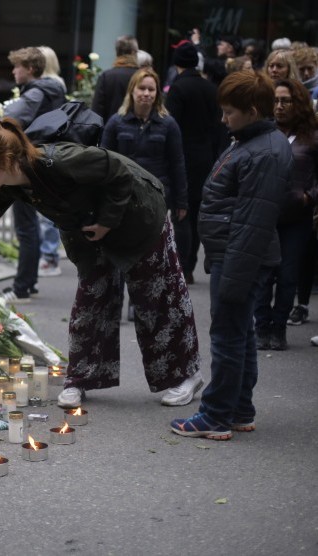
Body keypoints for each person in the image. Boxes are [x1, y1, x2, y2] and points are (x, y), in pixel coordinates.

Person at [0, 118, 204, 409]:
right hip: (90, 232)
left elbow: (118, 171)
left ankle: (185, 376)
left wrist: (108, 220)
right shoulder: (7, 184)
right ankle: (82, 379)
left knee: (157, 298)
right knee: (91, 300)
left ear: (5, 161)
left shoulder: (58, 161)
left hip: (138, 216)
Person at [171, 71, 292, 440]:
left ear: (252, 111)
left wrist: (234, 277)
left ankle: (216, 415)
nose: (223, 119)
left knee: (227, 336)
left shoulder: (264, 151)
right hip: (236, 255)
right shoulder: (253, 141)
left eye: (229, 112)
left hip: (240, 259)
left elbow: (252, 222)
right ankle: (238, 409)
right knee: (238, 334)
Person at [101, 68, 189, 321]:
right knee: (119, 252)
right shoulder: (116, 122)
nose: (147, 94)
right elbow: (104, 162)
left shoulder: (168, 124)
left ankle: (139, 304)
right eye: (142, 88)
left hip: (156, 199)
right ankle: (114, 303)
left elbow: (177, 163)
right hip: (123, 198)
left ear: (157, 93)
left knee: (148, 255)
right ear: (132, 91)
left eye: (151, 89)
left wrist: (181, 201)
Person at [254, 78, 318, 350]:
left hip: (297, 218)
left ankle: (279, 328)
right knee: (263, 275)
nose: (280, 106)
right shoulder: (264, 133)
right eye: (276, 101)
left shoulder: (312, 136)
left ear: (298, 103)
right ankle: (262, 327)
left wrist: (309, 196)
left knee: (288, 274)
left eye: (286, 101)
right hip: (265, 214)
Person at [0, 47, 67, 302]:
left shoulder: (36, 92)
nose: (13, 71)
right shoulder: (52, 89)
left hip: (28, 164)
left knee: (26, 226)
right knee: (33, 225)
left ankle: (22, 287)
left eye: (17, 67)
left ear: (29, 69)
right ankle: (30, 281)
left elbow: (10, 119)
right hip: (45, 161)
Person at [166, 40, 229, 284]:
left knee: (181, 212)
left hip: (182, 157)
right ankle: (190, 262)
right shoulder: (211, 89)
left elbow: (172, 126)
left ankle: (181, 265)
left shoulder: (178, 89)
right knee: (194, 214)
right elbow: (218, 127)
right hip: (206, 157)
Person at [36, 45, 67, 277]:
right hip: (50, 149)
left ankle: (49, 257)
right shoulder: (56, 85)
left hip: (46, 150)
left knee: (46, 210)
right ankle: (48, 255)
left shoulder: (49, 87)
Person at [91, 35, 139, 123]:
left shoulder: (106, 76)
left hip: (110, 131)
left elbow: (96, 111)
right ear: (133, 52)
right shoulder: (141, 76)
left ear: (117, 52)